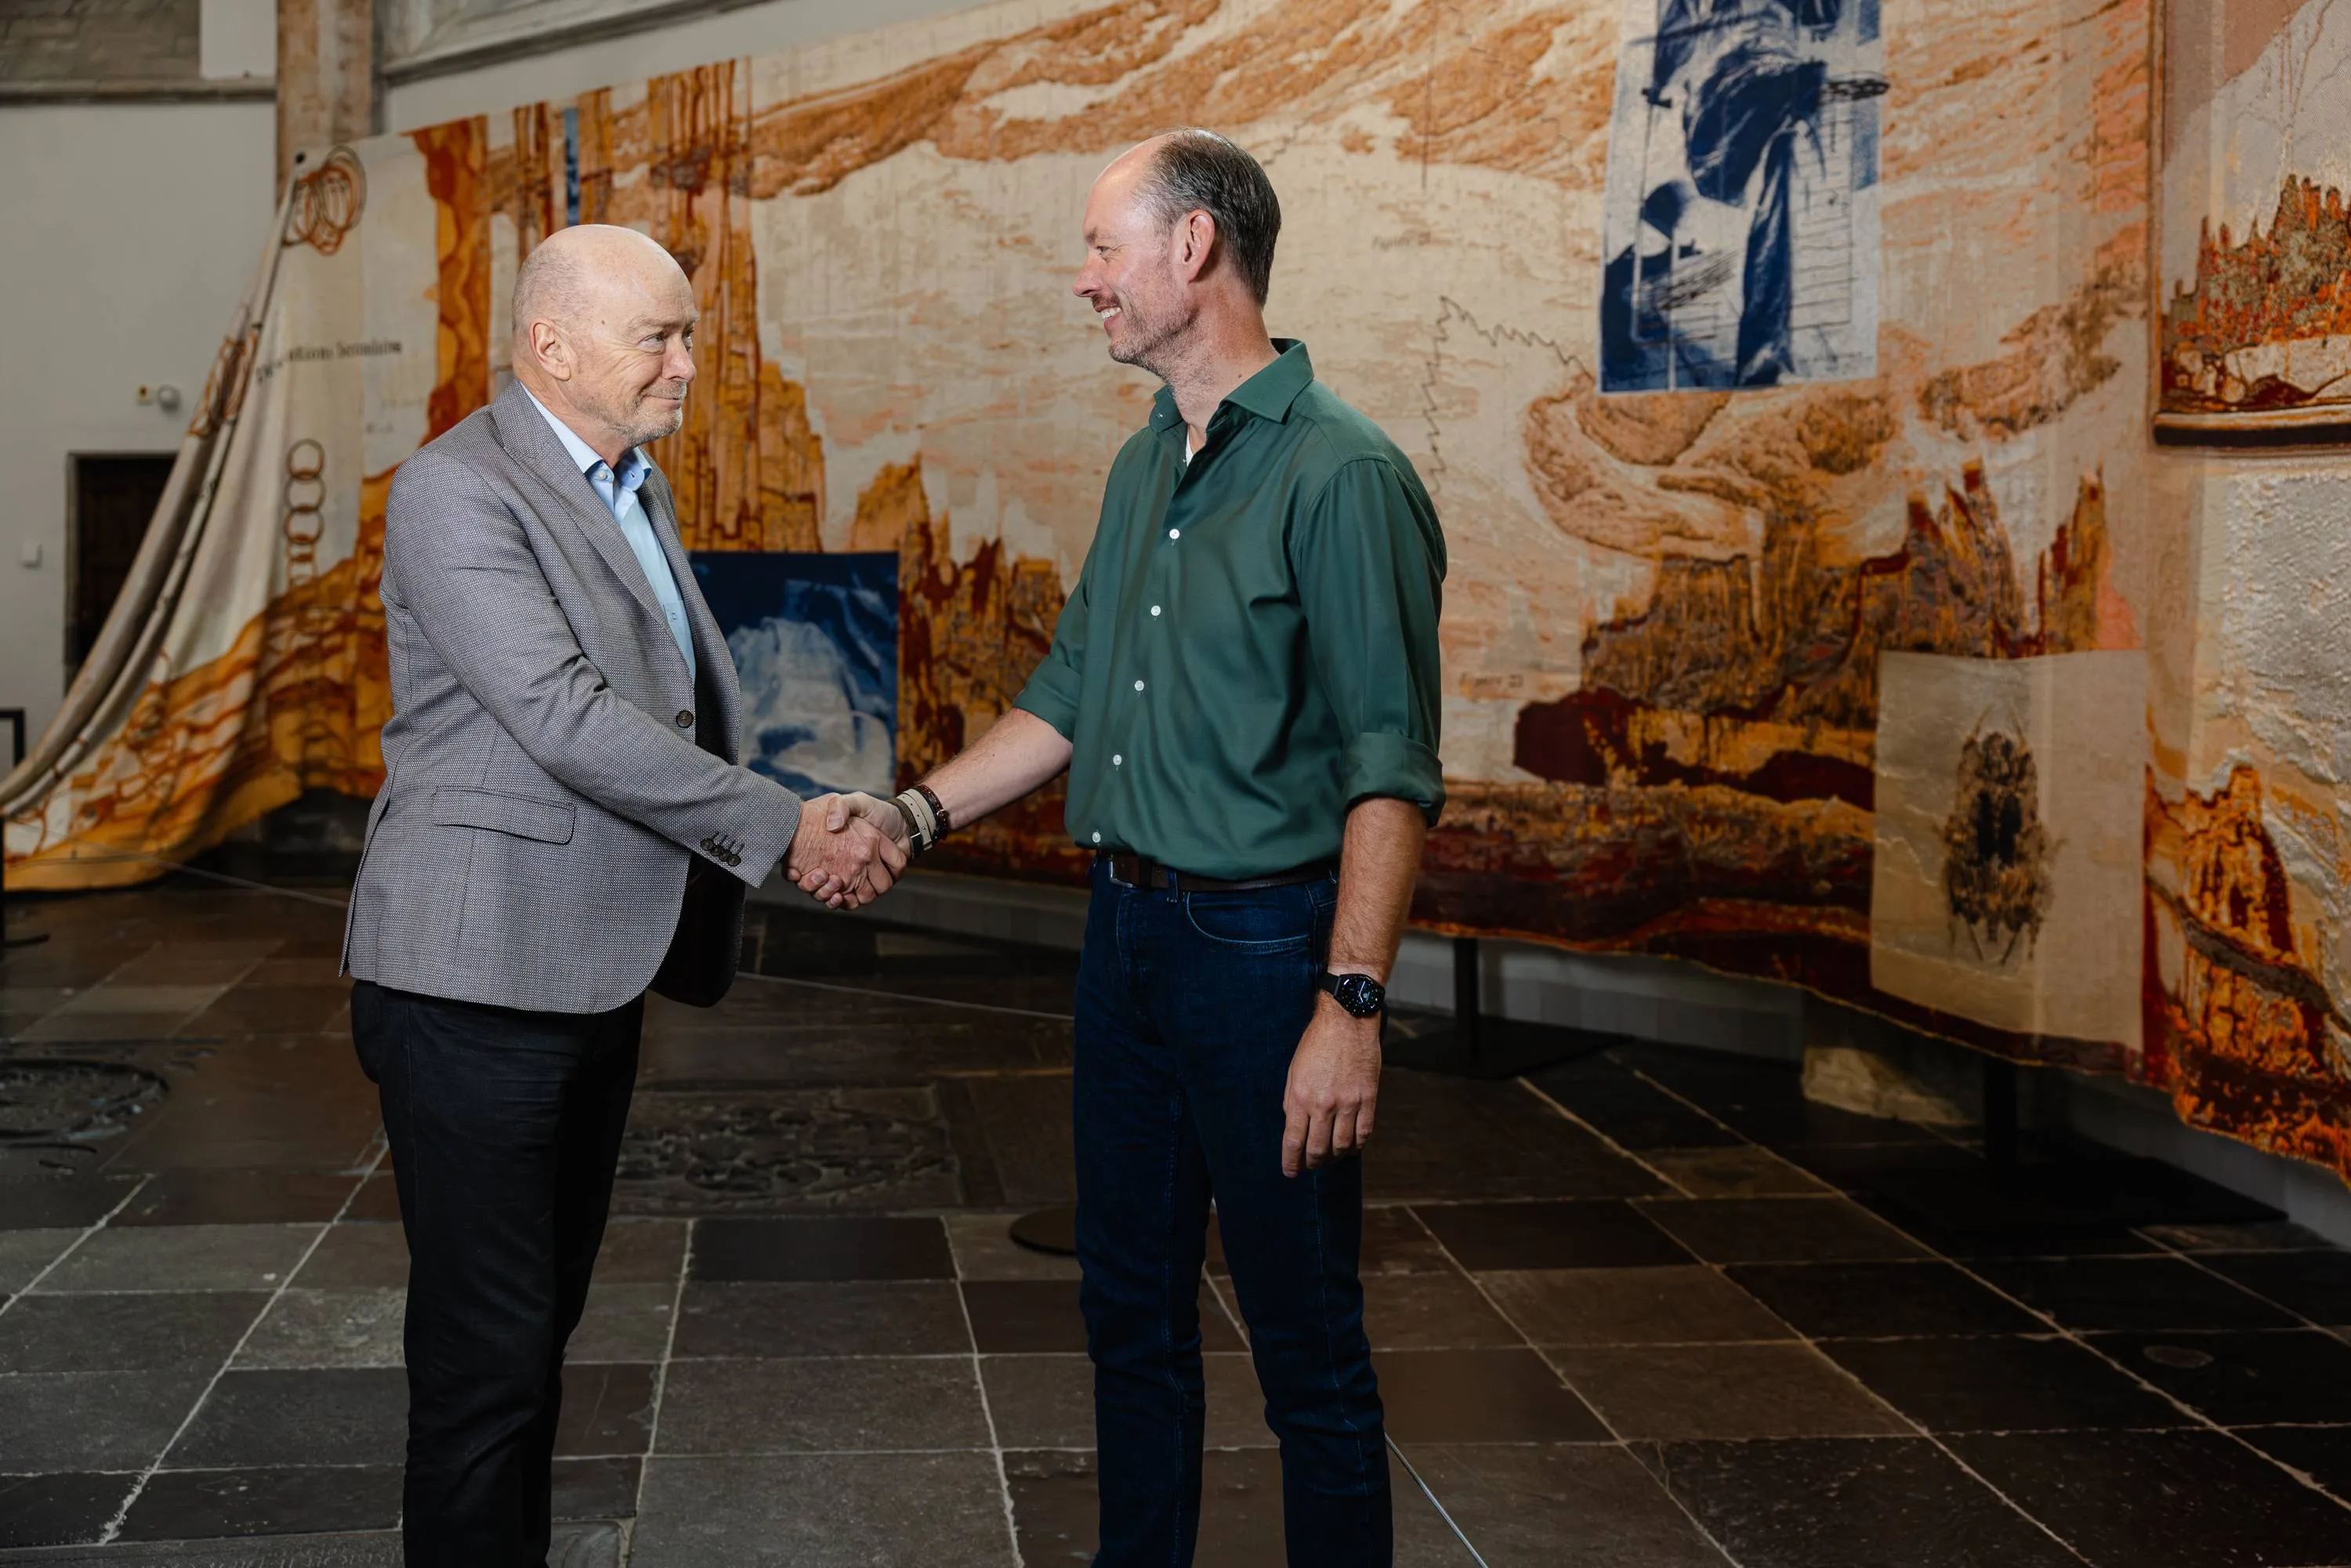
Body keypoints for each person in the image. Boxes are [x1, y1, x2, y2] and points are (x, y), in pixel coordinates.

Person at [811, 129, 1445, 1568]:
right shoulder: (1146, 460)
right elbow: (1066, 698)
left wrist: (1349, 1008)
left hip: (1268, 957)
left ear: (1194, 250)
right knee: (1131, 1319)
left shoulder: (1344, 477)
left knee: (1307, 1350)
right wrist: (914, 816)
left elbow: (1389, 772)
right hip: (1129, 947)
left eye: (1105, 248)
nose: (1084, 279)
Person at [341, 223, 902, 1566]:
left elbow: (677, 704)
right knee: (487, 1361)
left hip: (583, 961)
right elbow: (566, 716)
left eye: (687, 335)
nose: (688, 367)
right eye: (659, 337)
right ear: (552, 344)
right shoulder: (458, 491)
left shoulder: (629, 483)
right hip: (471, 973)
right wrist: (789, 828)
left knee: (538, 1332)